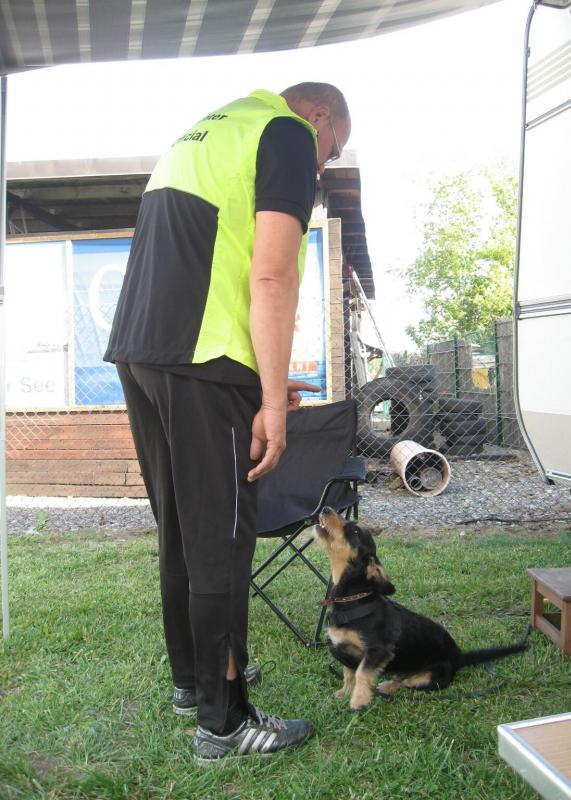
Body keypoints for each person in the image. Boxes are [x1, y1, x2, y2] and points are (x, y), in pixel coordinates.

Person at [104, 83, 351, 763]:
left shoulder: (207, 132)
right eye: (332, 151)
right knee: (221, 538)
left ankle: (195, 683)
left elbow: (205, 261)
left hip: (144, 354)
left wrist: (265, 379)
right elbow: (271, 278)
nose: (323, 166)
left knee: (183, 530)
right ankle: (224, 723)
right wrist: (269, 401)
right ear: (319, 117)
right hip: (204, 360)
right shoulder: (287, 134)